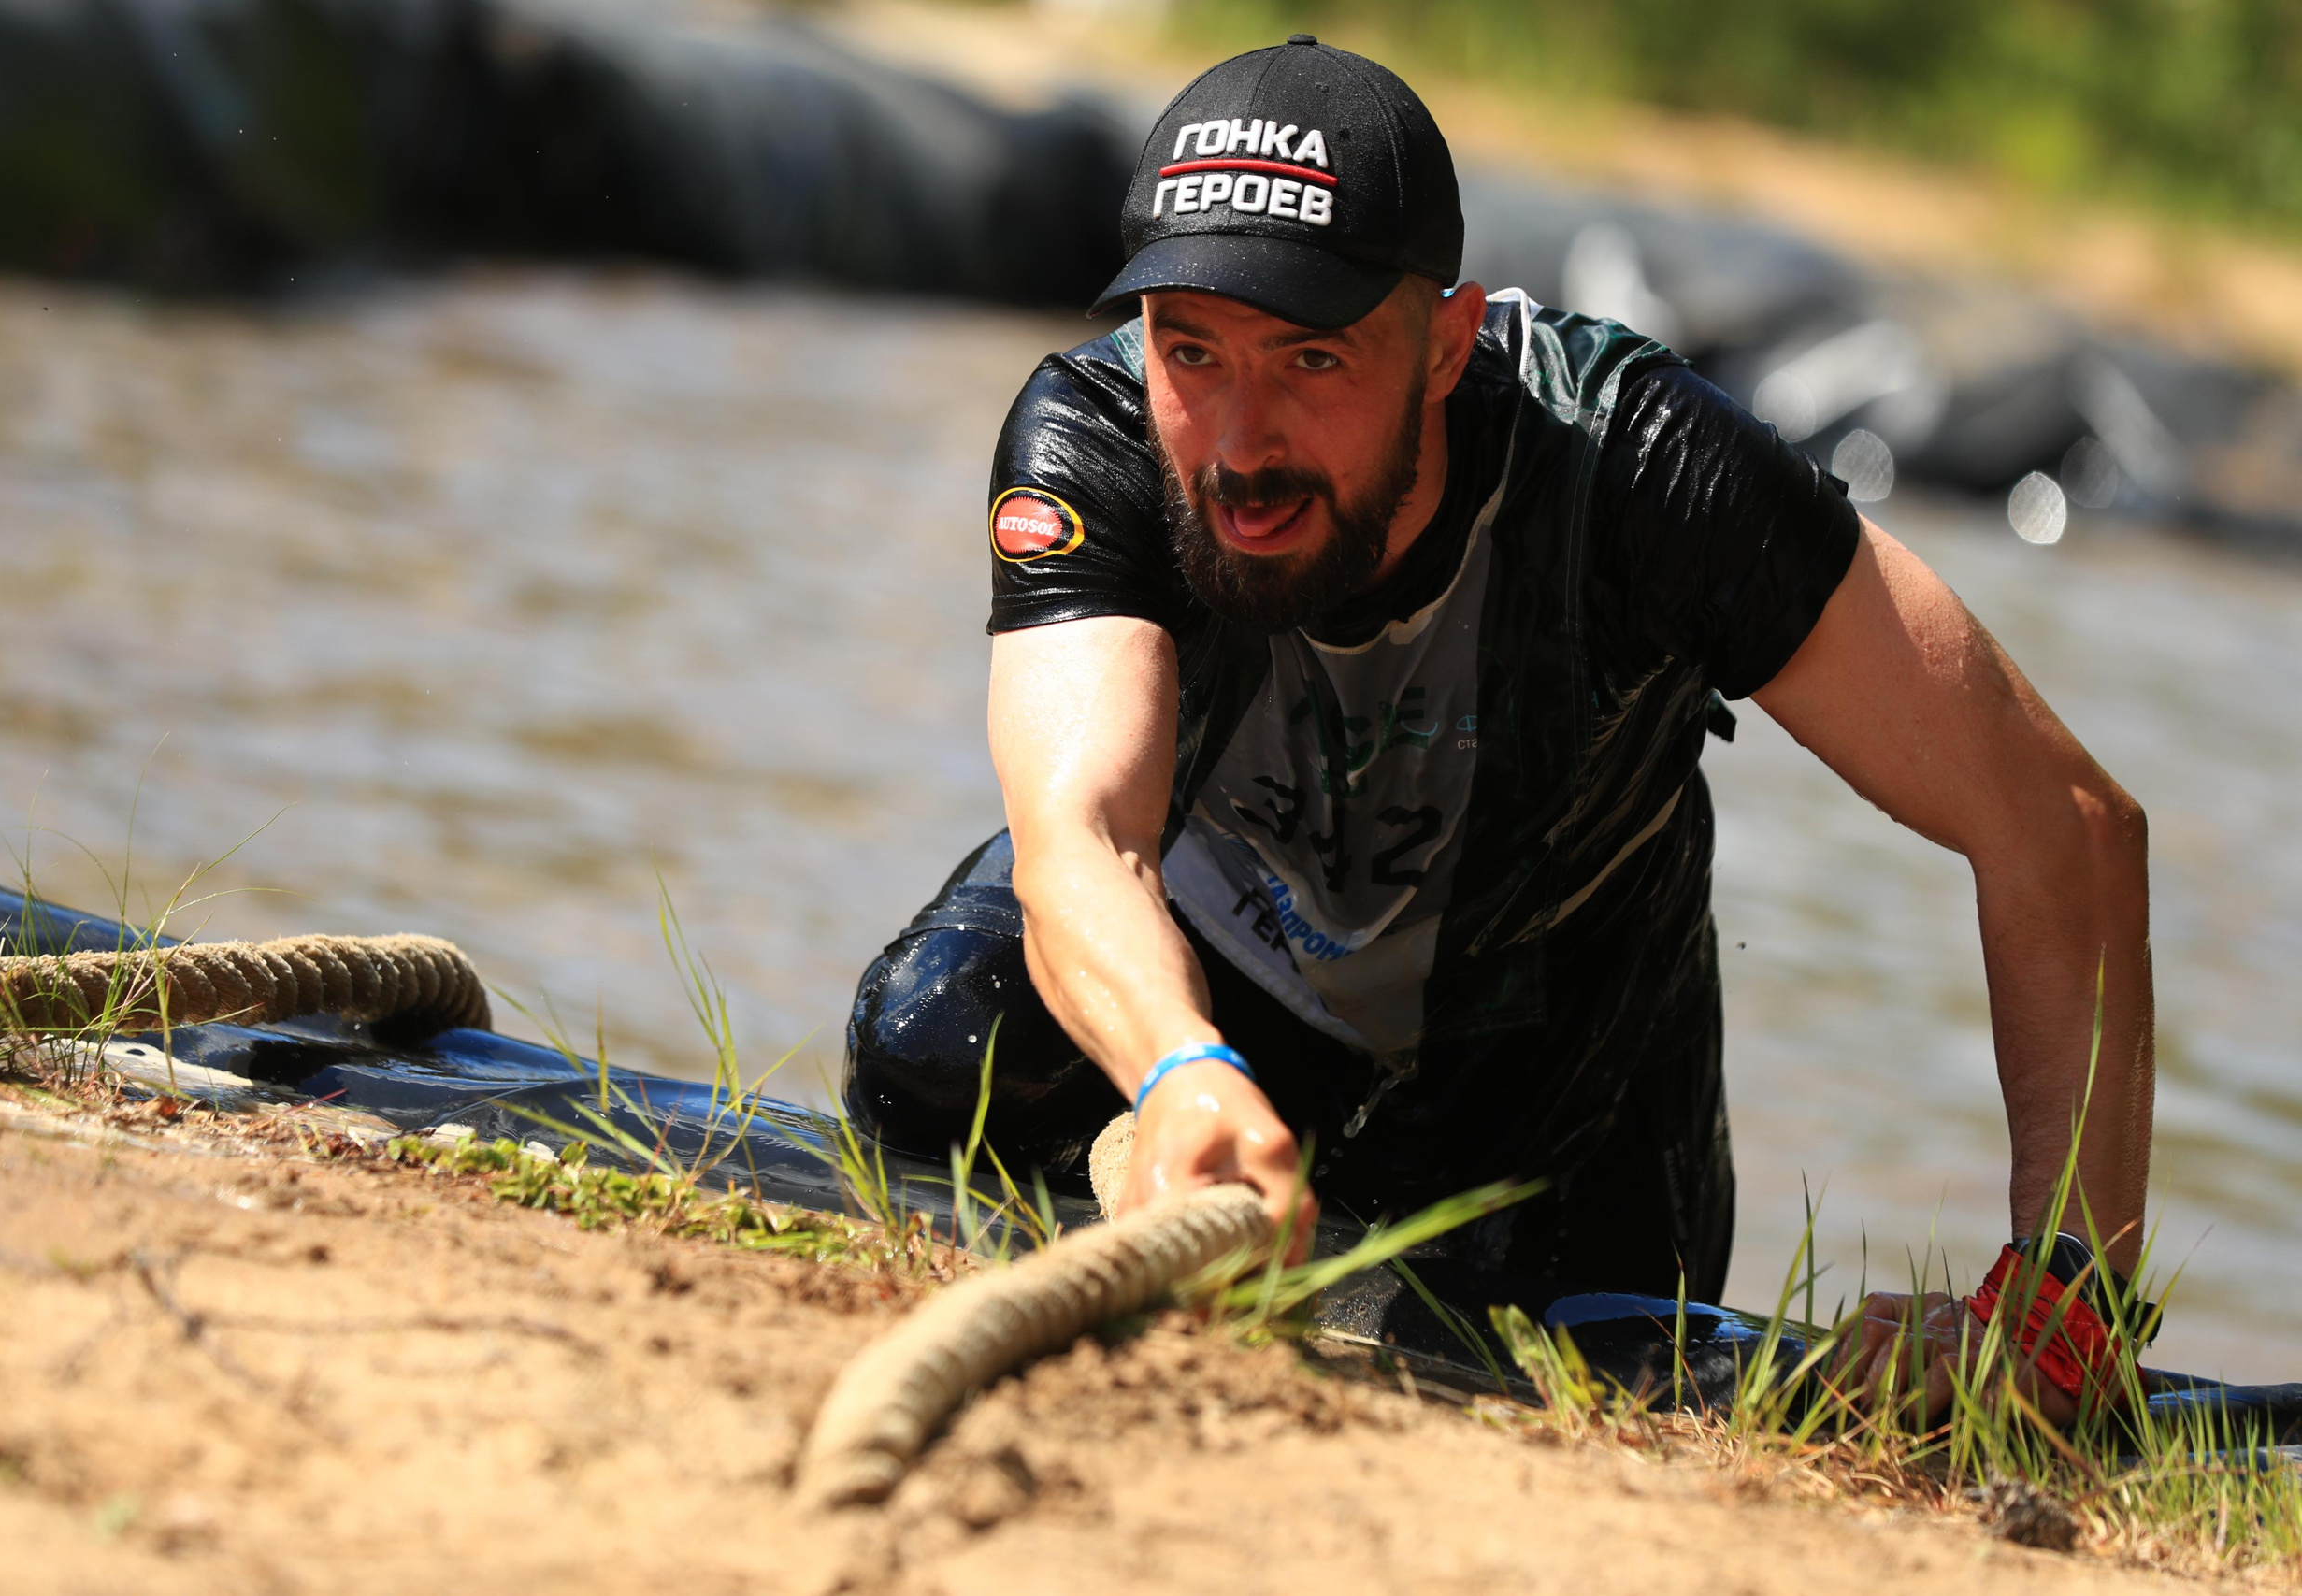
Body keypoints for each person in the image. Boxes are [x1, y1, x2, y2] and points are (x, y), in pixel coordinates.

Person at [843, 36, 2156, 1414]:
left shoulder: (1642, 464)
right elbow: (1081, 840)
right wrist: (1177, 1070)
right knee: (932, 1047)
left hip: (1554, 1061)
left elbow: (2063, 825)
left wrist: (2066, 1298)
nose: (1239, 445)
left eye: (1311, 357)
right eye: (1193, 352)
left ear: (1447, 345)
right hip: (1225, 970)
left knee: (1608, 1331)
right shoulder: (1094, 437)